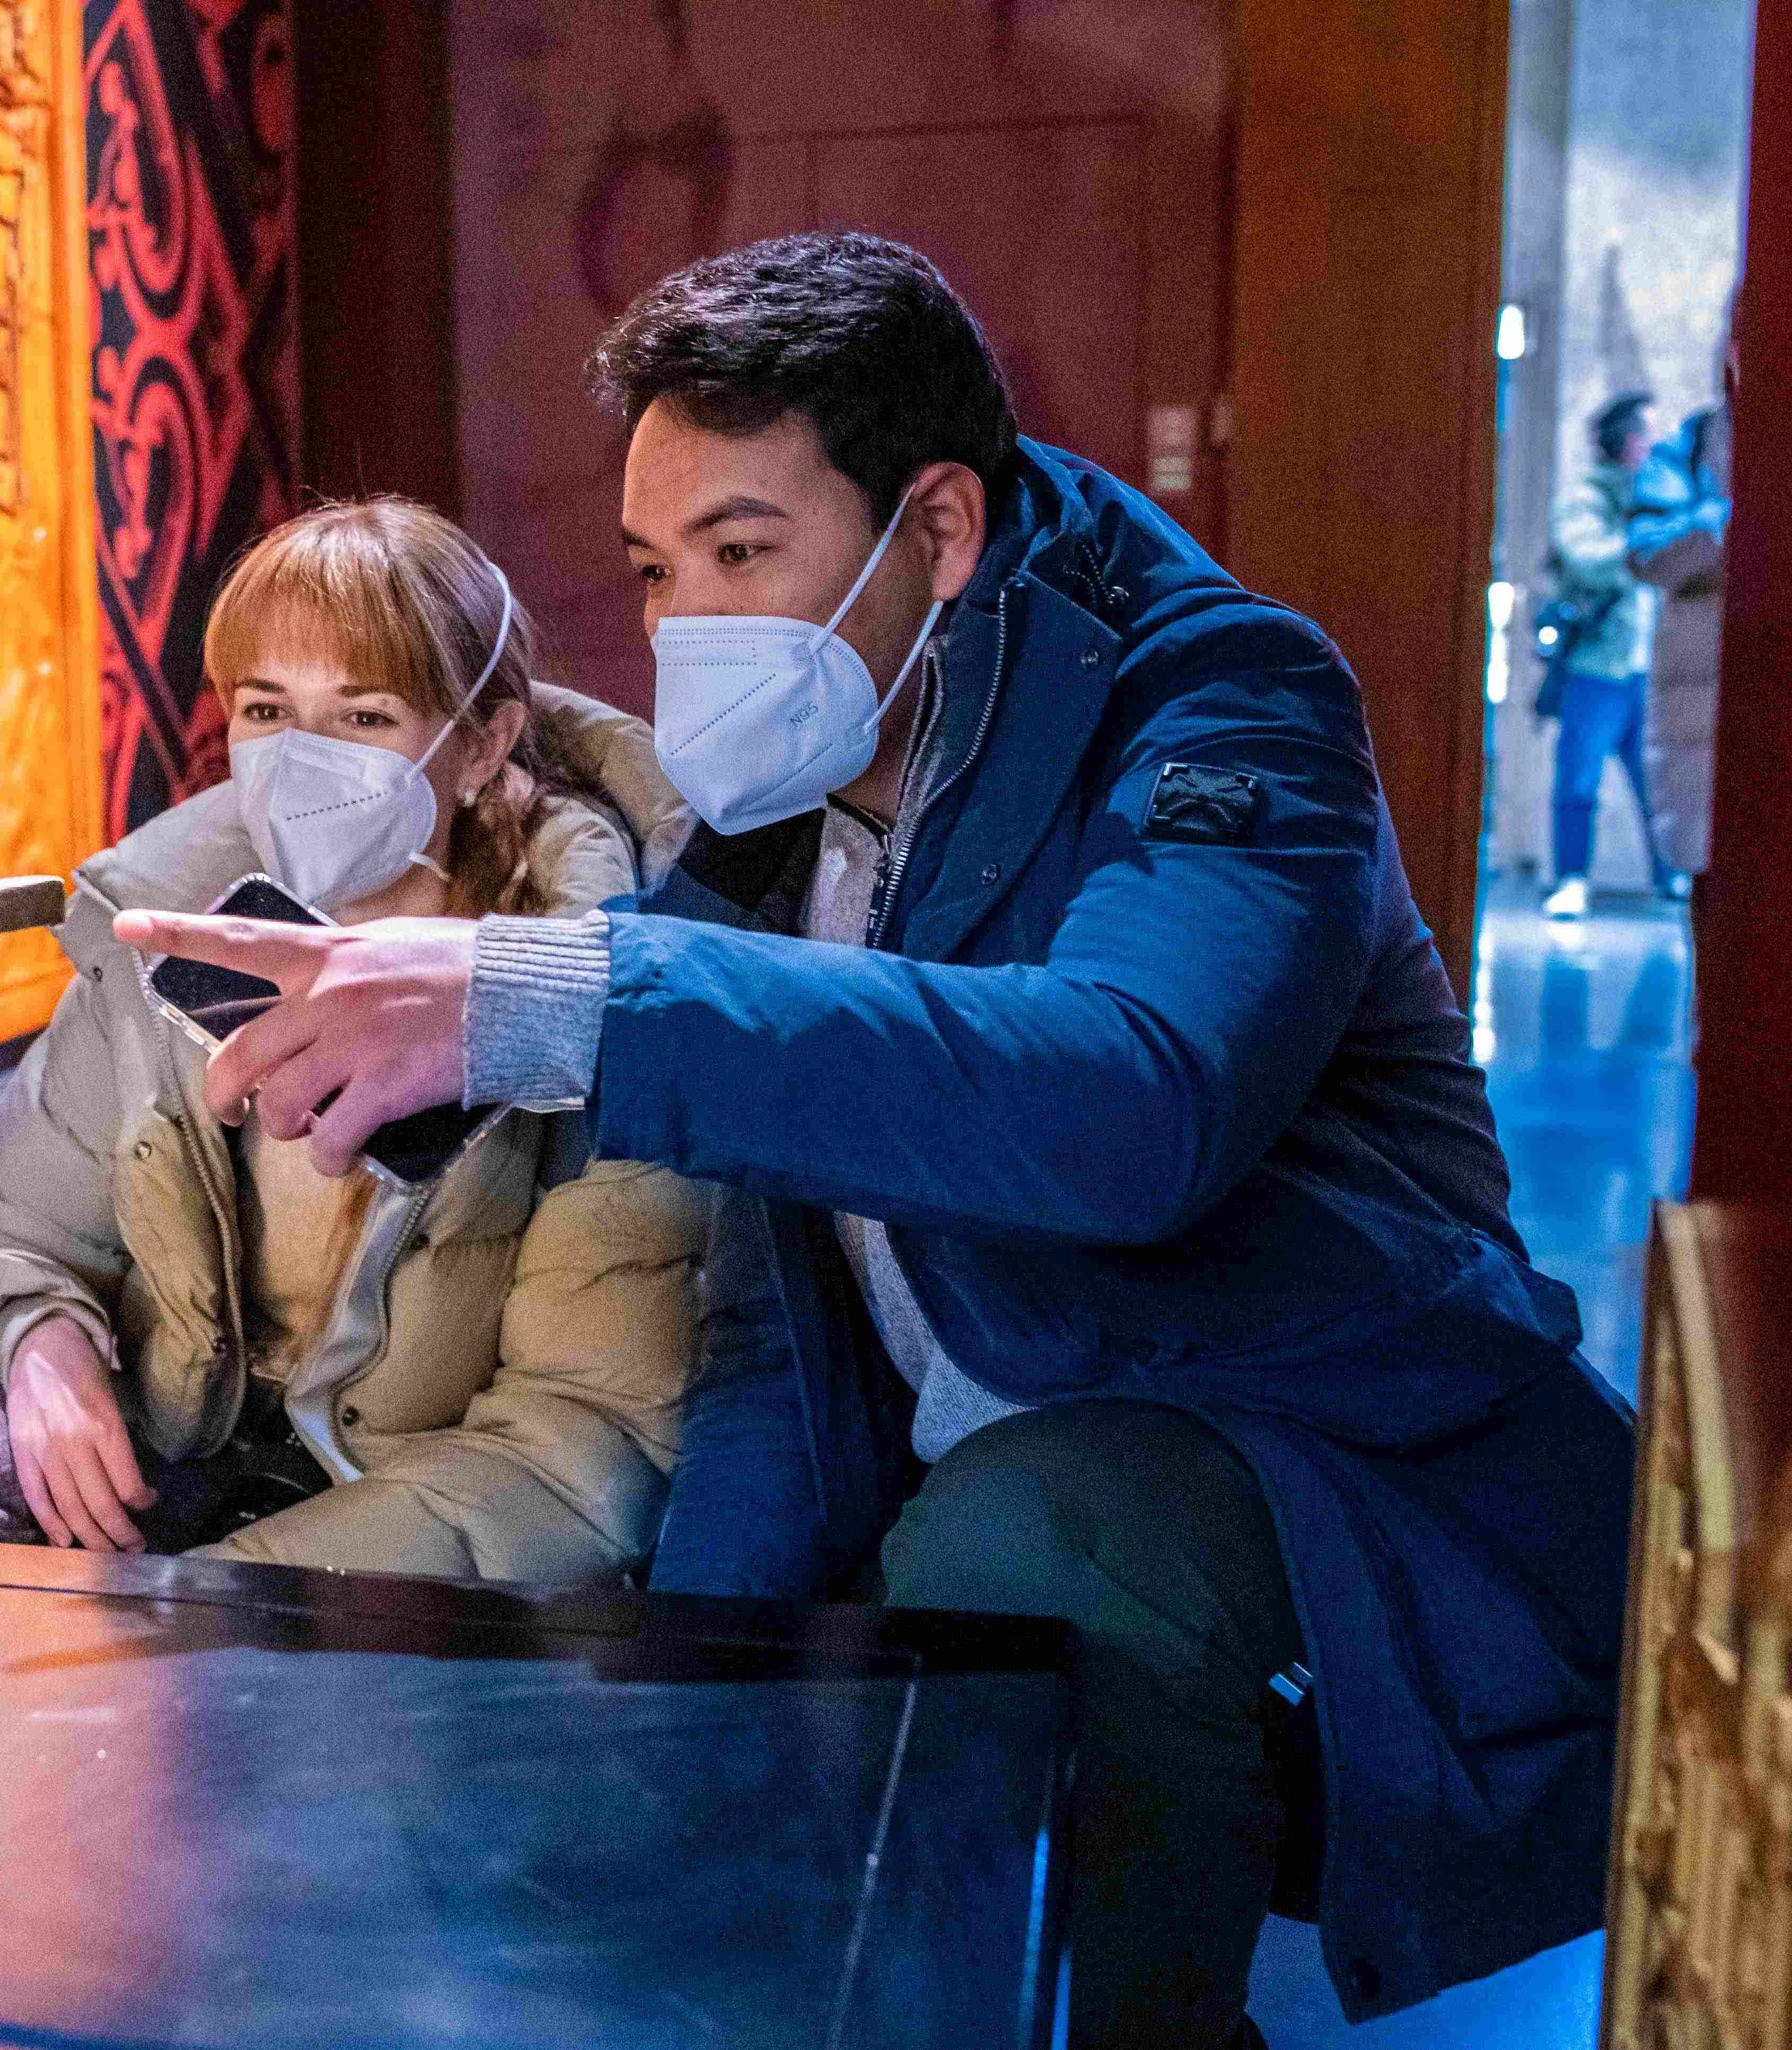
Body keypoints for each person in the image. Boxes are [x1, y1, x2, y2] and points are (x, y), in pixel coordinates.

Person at [120, 233, 1633, 2047]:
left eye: (742, 552)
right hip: (965, 1446)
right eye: (654, 569)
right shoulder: (779, 813)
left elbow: (1130, 1099)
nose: (684, 630)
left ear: (937, 529)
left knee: (1030, 1542)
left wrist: (565, 994)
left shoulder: (1224, 706)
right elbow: (777, 1324)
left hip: (1318, 1424)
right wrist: (702, 1697)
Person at [0, 498, 707, 1582]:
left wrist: (211, 1597)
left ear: (480, 745)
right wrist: (39, 1339)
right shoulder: (165, 926)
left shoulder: (589, 987)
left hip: (415, 1508)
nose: (301, 758)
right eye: (266, 708)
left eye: (363, 716)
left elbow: (577, 1446)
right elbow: (7, 1226)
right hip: (180, 1449)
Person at [1540, 390, 1665, 917]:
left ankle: (1672, 878)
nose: (1657, 445)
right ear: (1628, 441)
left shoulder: (1659, 495)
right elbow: (1585, 559)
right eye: (1649, 435)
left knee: (1661, 786)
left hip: (1649, 670)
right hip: (1597, 667)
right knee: (1579, 780)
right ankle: (1572, 879)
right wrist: (1645, 546)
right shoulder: (1587, 498)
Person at [1629, 323, 1737, 888]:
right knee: (1714, 879)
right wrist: (1725, 521)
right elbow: (1647, 552)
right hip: (1701, 694)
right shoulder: (1692, 445)